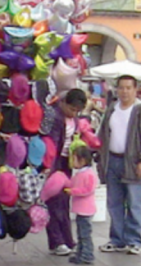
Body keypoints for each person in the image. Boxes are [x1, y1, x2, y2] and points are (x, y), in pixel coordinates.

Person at [96, 75, 141, 255]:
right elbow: (103, 134)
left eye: (128, 88)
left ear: (135, 89)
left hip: (133, 162)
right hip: (112, 160)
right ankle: (117, 239)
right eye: (121, 88)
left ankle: (133, 240)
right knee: (114, 202)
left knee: (133, 202)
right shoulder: (111, 110)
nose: (124, 92)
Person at [46, 88, 88, 256]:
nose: (74, 113)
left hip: (66, 163)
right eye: (71, 109)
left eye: (77, 111)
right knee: (54, 203)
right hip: (54, 163)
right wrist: (50, 168)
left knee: (64, 202)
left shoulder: (74, 120)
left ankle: (67, 239)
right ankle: (57, 241)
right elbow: (53, 144)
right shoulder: (55, 117)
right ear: (63, 103)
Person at [64, 145, 98, 265]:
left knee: (85, 234)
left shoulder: (88, 174)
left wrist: (73, 191)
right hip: (80, 209)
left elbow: (88, 190)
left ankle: (87, 255)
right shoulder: (79, 174)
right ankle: (81, 253)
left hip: (86, 210)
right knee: (80, 233)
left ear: (82, 160)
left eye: (74, 159)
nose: (72, 162)